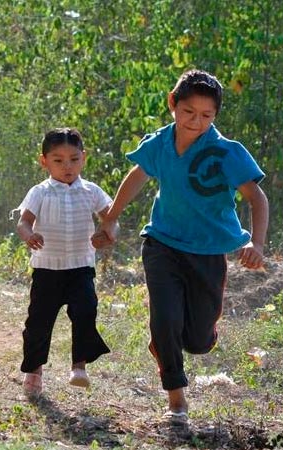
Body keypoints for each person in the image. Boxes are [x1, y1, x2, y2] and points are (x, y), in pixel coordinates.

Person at [95, 69, 268, 425]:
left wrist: (256, 242)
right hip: (162, 243)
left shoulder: (225, 152)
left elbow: (257, 198)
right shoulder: (160, 142)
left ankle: (171, 340)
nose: (196, 121)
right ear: (173, 104)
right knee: (165, 318)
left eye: (206, 116)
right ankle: (176, 398)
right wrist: (111, 217)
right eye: (189, 112)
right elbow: (138, 175)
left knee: (199, 340)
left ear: (216, 116)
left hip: (207, 253)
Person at [15, 128, 112, 399]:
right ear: (44, 161)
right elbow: (23, 221)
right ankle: (33, 371)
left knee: (85, 310)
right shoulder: (40, 192)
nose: (67, 166)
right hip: (47, 268)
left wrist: (107, 233)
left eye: (73, 159)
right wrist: (29, 235)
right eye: (58, 160)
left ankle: (78, 366)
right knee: (39, 322)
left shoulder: (91, 191)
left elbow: (110, 216)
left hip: (80, 266)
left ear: (84, 158)